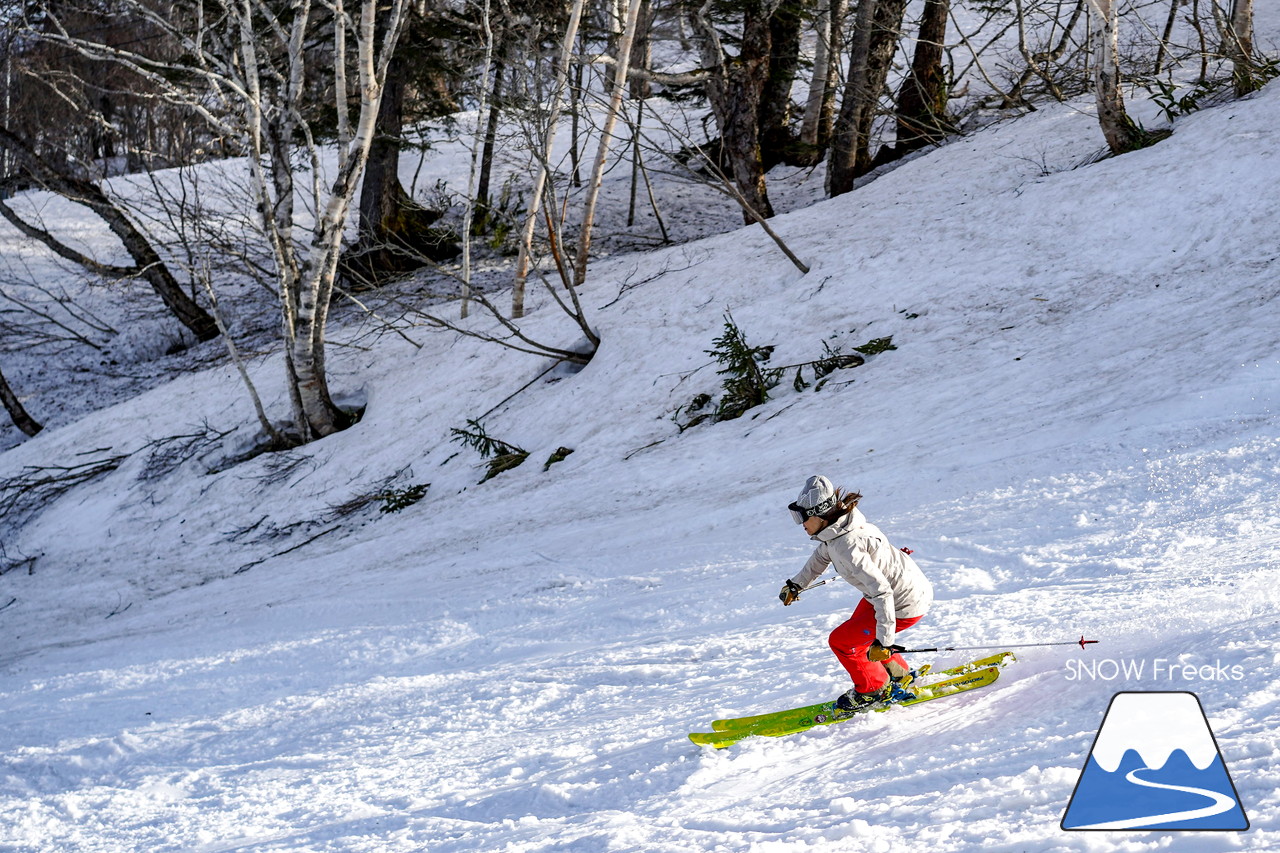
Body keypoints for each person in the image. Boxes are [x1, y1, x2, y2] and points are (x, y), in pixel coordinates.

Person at [779, 475, 933, 712]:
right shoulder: (840, 530)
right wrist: (797, 584)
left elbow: (883, 593)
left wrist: (884, 641)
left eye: (803, 517)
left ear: (819, 515)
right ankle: (898, 675)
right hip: (904, 590)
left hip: (902, 602)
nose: (801, 524)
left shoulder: (847, 545)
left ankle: (873, 689)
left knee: (842, 642)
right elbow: (822, 555)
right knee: (857, 635)